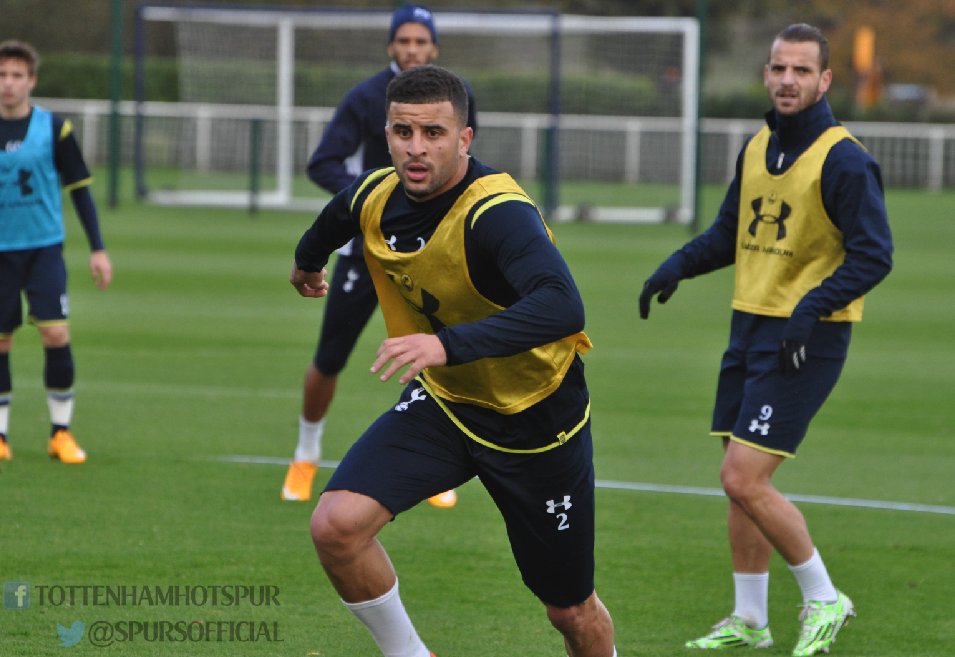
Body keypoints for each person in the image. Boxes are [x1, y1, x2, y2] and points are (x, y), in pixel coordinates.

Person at [290, 65, 616, 657]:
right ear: (386, 135)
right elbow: (335, 217)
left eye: (434, 133)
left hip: (536, 420)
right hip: (446, 406)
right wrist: (306, 264)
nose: (416, 148)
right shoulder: (375, 194)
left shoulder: (497, 213)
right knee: (335, 526)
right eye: (403, 132)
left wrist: (445, 345)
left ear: (465, 139)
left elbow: (563, 306)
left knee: (570, 611)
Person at [639, 24, 892, 657]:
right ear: (766, 73)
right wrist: (676, 265)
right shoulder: (758, 145)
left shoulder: (844, 159)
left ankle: (825, 598)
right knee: (737, 480)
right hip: (749, 326)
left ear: (824, 80)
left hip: (806, 337)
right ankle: (750, 617)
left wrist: (810, 309)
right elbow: (731, 232)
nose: (787, 80)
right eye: (778, 68)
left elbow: (874, 255)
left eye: (801, 70)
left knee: (744, 477)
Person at [282, 3, 477, 507]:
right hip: (367, 252)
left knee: (440, 354)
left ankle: (437, 467)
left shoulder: (458, 96)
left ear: (434, 46)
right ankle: (305, 454)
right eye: (403, 40)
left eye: (420, 41)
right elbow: (322, 162)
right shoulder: (367, 97)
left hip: (434, 252)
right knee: (330, 355)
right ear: (391, 45)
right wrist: (371, 201)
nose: (412, 49)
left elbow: (465, 166)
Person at [0, 40, 112, 463]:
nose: (8, 83)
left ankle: (60, 433)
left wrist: (98, 249)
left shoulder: (55, 129)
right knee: (1, 342)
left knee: (56, 333)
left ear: (31, 80)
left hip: (43, 249)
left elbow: (80, 191)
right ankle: (0, 436)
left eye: (16, 75)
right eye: (2, 75)